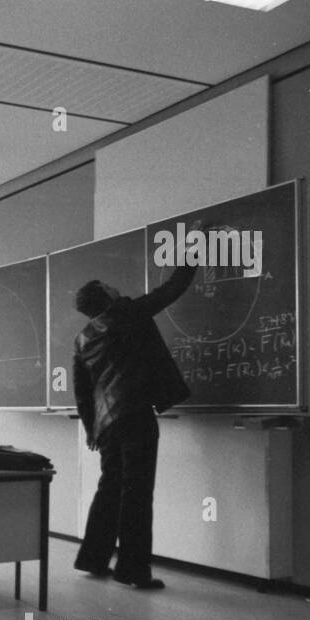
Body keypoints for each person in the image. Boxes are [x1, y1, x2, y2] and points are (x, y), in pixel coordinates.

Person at [72, 223, 202, 590]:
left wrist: (91, 430)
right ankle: (132, 570)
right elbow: (173, 287)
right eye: (109, 287)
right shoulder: (126, 312)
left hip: (106, 424)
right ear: (104, 296)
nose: (116, 287)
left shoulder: (82, 339)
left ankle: (94, 558)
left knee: (110, 487)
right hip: (134, 415)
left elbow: (82, 394)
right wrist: (194, 245)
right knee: (137, 492)